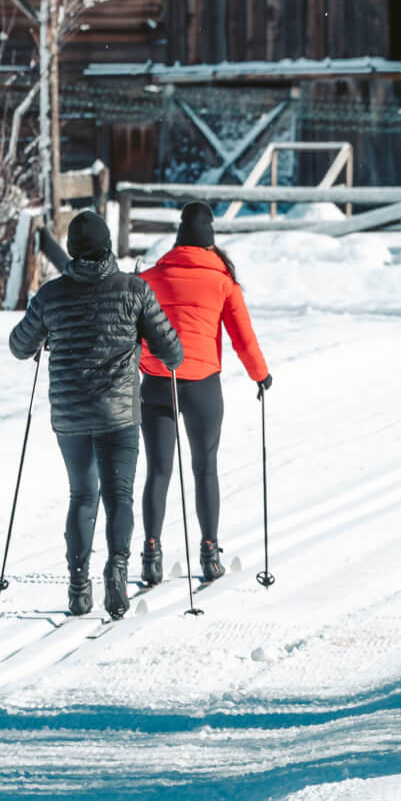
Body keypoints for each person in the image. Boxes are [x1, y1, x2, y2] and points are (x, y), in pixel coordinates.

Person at [9, 209, 183, 620]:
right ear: (107, 246)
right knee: (119, 495)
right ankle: (118, 570)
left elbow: (19, 346)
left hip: (70, 416)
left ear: (71, 250)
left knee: (83, 495)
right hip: (120, 413)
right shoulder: (133, 289)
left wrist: (48, 332)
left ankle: (77, 585)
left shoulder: (51, 295)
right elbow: (171, 350)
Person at [138, 201, 272, 586]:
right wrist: (260, 376)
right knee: (204, 468)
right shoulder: (223, 282)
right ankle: (210, 553)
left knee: (159, 471)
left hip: (157, 381)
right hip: (203, 386)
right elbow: (243, 339)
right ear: (211, 242)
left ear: (179, 239)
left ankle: (151, 554)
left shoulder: (149, 278)